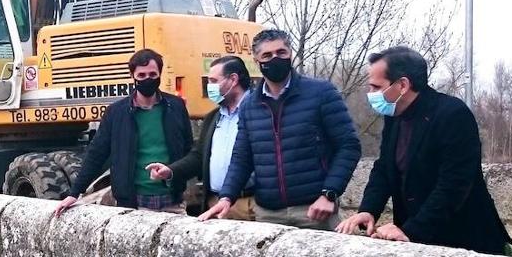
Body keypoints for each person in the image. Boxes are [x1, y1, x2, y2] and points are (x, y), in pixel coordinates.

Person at [337, 46, 512, 252]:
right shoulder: (395, 116)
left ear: (402, 85)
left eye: (376, 87)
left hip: (464, 240)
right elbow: (384, 168)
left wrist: (412, 231)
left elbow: (454, 184)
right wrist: (368, 210)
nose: (371, 94)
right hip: (417, 240)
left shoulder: (452, 114)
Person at [206, 29, 361, 230]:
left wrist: (329, 193)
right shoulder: (250, 105)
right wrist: (227, 197)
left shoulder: (321, 93)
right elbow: (242, 157)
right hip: (267, 213)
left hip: (313, 210)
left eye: (281, 53)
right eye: (267, 55)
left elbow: (349, 145)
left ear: (290, 54)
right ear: (257, 61)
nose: (275, 59)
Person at [55, 49, 193, 215]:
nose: (147, 79)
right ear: (132, 76)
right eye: (141, 76)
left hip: (173, 202)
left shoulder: (176, 106)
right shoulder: (116, 112)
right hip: (134, 204)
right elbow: (97, 153)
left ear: (160, 74)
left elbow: (189, 149)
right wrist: (74, 193)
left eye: (152, 74)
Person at [146, 55, 255, 220]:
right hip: (216, 204)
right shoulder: (213, 118)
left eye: (213, 81)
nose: (209, 87)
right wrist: (171, 171)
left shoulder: (260, 112)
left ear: (233, 80)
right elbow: (199, 157)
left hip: (251, 204)